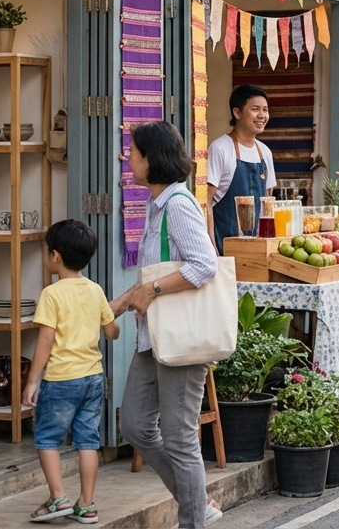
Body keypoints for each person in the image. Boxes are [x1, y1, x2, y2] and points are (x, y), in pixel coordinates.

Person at [110, 121, 223, 527]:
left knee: (178, 437)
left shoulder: (177, 204)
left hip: (181, 338)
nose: (129, 158)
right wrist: (124, 300)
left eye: (134, 152)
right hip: (154, 336)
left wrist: (151, 291)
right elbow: (158, 269)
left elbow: (203, 265)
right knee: (137, 425)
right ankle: (199, 503)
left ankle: (193, 518)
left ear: (151, 159)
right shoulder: (159, 204)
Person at [25, 220, 120, 523]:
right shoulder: (95, 290)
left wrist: (32, 381)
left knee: (47, 438)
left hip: (61, 379)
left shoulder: (52, 294)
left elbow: (46, 339)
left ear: (54, 255)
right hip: (92, 378)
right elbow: (112, 332)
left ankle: (58, 498)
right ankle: (87, 504)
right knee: (87, 441)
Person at [205, 85, 277, 250]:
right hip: (225, 247)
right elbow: (206, 202)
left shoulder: (265, 152)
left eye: (265, 110)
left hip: (257, 249)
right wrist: (212, 248)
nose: (262, 115)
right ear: (237, 113)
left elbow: (268, 204)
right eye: (255, 109)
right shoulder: (220, 148)